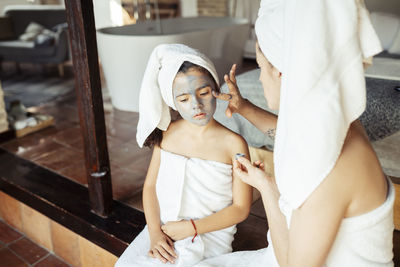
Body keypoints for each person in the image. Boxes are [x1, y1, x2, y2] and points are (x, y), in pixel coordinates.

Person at [196, 0, 394, 266]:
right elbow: (289, 133)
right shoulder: (332, 125)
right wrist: (242, 107)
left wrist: (266, 187)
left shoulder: (331, 170)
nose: (259, 78)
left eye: (260, 67)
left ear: (280, 71)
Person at [115, 44, 252, 267]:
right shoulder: (167, 134)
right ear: (172, 101)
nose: (196, 105)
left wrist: (192, 228)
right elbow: (150, 187)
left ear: (216, 89)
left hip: (210, 235)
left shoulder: (233, 144)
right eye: (184, 99)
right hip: (165, 229)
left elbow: (241, 208)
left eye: (204, 93)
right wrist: (154, 233)